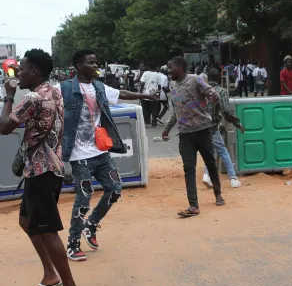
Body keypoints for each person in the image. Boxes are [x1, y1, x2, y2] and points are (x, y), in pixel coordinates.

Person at [0, 49, 80, 286]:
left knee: (47, 229)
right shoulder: (54, 91)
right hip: (46, 167)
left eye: (21, 69)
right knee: (26, 220)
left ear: (35, 72)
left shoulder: (31, 98)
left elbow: (5, 127)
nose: (17, 73)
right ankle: (50, 275)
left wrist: (9, 96)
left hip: (41, 170)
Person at [58, 49, 155, 262]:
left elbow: (121, 94)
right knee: (83, 198)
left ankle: (90, 225)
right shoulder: (64, 88)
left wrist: (145, 96)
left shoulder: (99, 87)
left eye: (96, 62)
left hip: (101, 151)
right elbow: (46, 100)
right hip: (79, 155)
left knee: (115, 190)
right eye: (91, 63)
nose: (96, 65)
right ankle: (73, 243)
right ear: (79, 66)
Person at [160, 56, 224, 217]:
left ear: (180, 68)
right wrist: (167, 129)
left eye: (170, 67)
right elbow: (176, 111)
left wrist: (214, 98)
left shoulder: (195, 80)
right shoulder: (173, 86)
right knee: (189, 168)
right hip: (185, 134)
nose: (168, 71)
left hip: (202, 130)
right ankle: (193, 205)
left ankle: (218, 193)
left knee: (210, 163)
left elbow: (212, 93)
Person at [201, 68, 244, 189]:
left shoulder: (202, 91)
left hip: (202, 127)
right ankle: (233, 178)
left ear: (208, 79)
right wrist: (237, 123)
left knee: (209, 152)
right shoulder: (221, 92)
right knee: (223, 151)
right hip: (213, 127)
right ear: (220, 77)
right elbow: (225, 112)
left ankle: (206, 175)